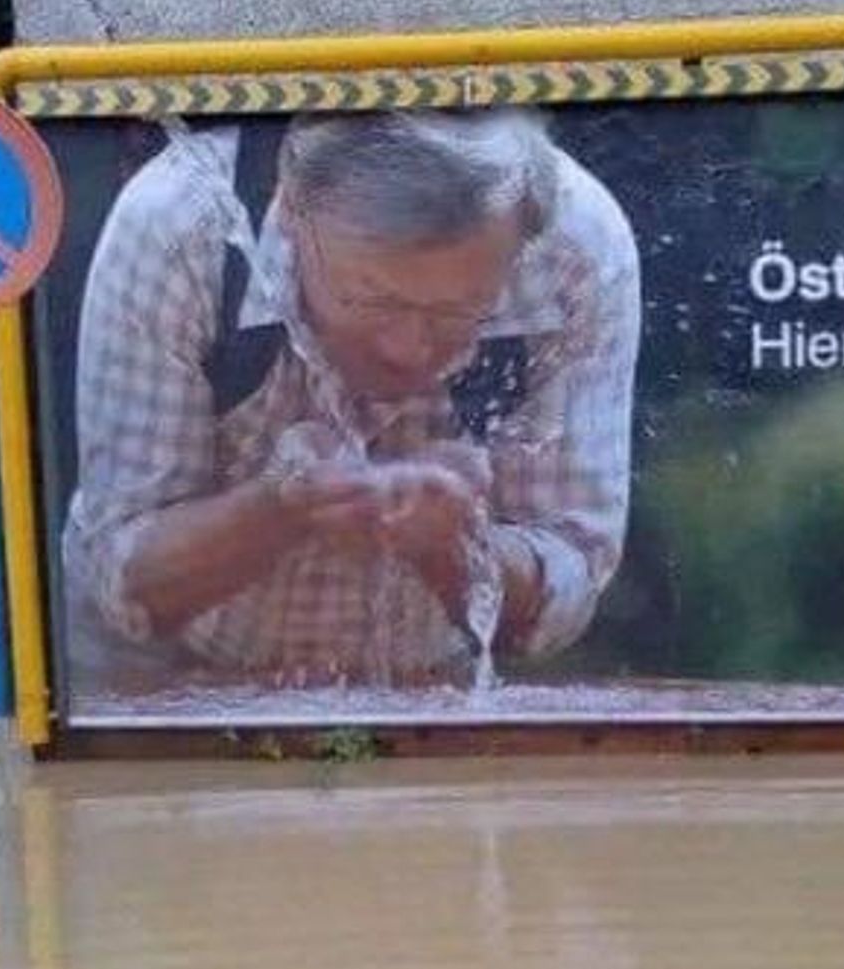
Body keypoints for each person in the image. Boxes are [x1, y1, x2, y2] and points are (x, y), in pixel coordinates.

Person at [63, 108, 641, 691]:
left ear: (519, 245)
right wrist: (280, 511)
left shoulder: (575, 250)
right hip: (163, 678)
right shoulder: (180, 226)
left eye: (460, 310)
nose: (410, 349)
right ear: (292, 208)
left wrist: (455, 546)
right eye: (373, 300)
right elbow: (121, 580)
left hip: (431, 688)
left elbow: (568, 586)